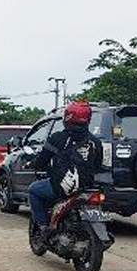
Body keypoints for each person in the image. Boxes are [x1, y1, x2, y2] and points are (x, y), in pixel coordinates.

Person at [28, 101, 103, 237]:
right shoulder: (95, 142)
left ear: (67, 117)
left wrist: (35, 165)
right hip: (86, 187)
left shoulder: (57, 138)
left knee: (33, 190)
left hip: (62, 187)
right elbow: (98, 165)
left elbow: (42, 161)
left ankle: (43, 227)